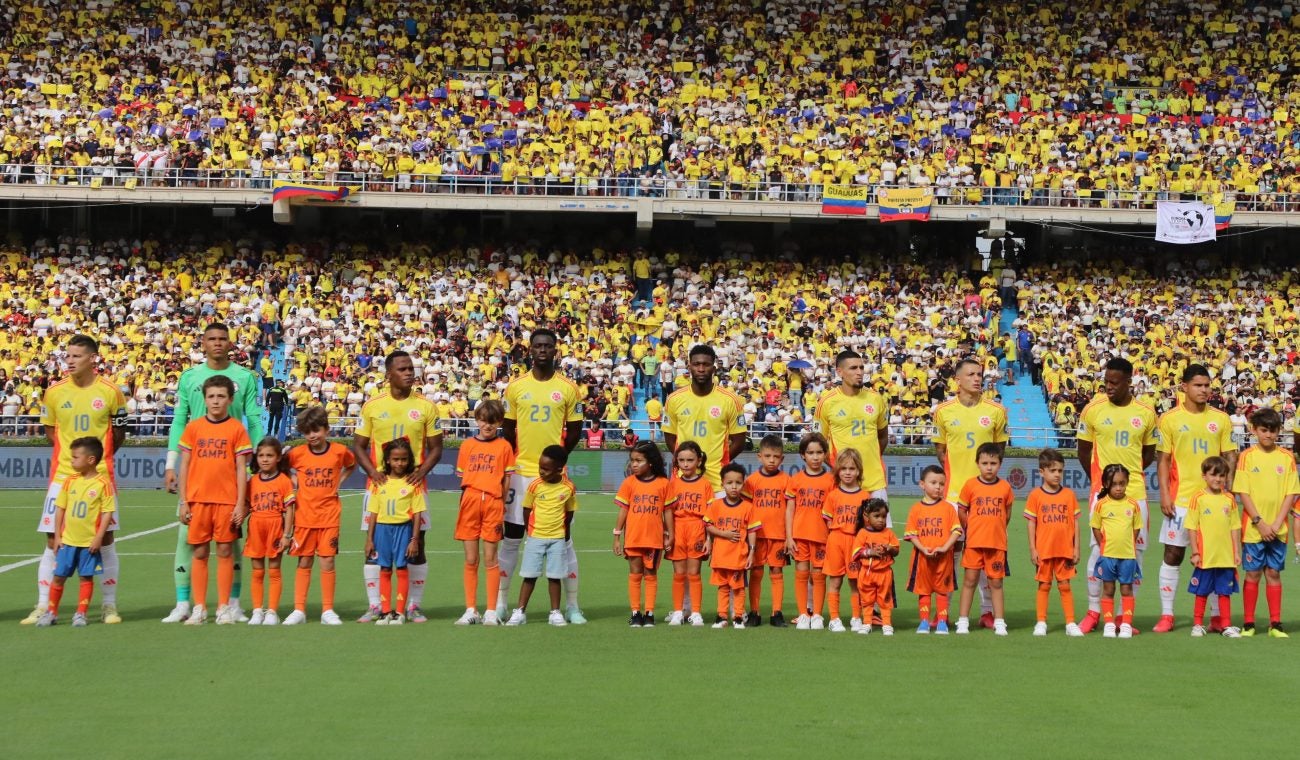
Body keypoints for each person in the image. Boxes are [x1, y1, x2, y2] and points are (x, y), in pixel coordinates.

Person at [163, 323, 264, 624]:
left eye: (223, 339)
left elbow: (255, 420)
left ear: (230, 344)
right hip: (198, 472)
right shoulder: (190, 377)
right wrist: (171, 464)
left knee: (231, 542)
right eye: (212, 339)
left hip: (232, 469)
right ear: (203, 343)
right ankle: (185, 603)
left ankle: (231, 603)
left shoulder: (245, 377)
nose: (217, 343)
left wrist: (259, 460)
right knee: (188, 539)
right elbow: (179, 421)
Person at [24, 334, 127, 626]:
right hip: (62, 477)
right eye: (67, 356)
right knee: (52, 539)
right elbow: (50, 433)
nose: (70, 361)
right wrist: (73, 463)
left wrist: (98, 461)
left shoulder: (111, 392)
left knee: (105, 539)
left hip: (101, 479)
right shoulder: (54, 392)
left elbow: (119, 433)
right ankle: (44, 605)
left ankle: (109, 605)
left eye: (76, 356)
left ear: (93, 358)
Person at [500, 329, 585, 624]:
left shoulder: (569, 388)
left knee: (565, 540)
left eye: (548, 346)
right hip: (522, 473)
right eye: (538, 346)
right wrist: (516, 457)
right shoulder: (515, 387)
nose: (543, 350)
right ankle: (501, 603)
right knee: (511, 539)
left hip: (556, 477)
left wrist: (558, 459)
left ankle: (572, 606)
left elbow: (575, 429)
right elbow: (507, 428)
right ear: (530, 351)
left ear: (555, 351)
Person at [353, 350, 442, 623]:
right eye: (402, 369)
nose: (408, 373)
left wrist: (421, 472)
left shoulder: (427, 406)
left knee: (418, 542)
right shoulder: (372, 406)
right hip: (378, 485)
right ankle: (375, 606)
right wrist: (373, 472)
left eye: (410, 369)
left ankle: (413, 605)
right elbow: (357, 446)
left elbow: (436, 448)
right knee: (374, 543)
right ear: (388, 374)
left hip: (413, 486)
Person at [1075, 357, 1157, 634]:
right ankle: (1094, 611)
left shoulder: (1146, 412)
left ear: (1128, 382)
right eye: (1106, 381)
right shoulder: (1092, 410)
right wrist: (1102, 484)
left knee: (1135, 555)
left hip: (1136, 496)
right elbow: (1083, 451)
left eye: (1114, 382)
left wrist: (1126, 478)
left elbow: (1148, 453)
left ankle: (1123, 617)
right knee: (1099, 551)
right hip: (1102, 498)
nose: (1108, 386)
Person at [1154, 364, 1237, 633]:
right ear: (1185, 387)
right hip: (1181, 500)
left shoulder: (1221, 418)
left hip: (1215, 501)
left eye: (1207, 385)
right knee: (1173, 553)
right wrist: (1165, 494)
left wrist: (1230, 489)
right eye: (1198, 385)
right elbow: (1163, 459)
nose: (1204, 390)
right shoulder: (1169, 419)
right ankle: (1167, 614)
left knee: (1215, 557)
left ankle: (1215, 617)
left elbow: (1230, 455)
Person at [932, 357, 1008, 629]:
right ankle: (945, 611)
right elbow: (941, 451)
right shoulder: (943, 411)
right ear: (958, 379)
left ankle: (988, 611)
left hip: (985, 496)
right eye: (971, 374)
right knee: (951, 554)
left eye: (980, 374)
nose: (978, 378)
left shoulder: (997, 411)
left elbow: (999, 451)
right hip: (953, 497)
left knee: (988, 553)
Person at [177, 375, 252, 625]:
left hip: (227, 501)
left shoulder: (237, 429)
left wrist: (240, 503)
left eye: (221, 396)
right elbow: (185, 464)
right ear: (204, 399)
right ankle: (199, 608)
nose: (216, 401)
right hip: (198, 500)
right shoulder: (194, 428)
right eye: (211, 396)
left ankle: (223, 607)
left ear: (230, 400)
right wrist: (183, 500)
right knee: (199, 552)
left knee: (224, 550)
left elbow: (241, 468)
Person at [285, 405, 356, 625]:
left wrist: (339, 482)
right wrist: (295, 481)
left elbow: (351, 465)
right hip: (304, 517)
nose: (312, 435)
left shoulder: (339, 451)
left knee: (327, 562)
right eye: (307, 432)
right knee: (304, 561)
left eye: (316, 430)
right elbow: (283, 468)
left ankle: (327, 610)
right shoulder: (297, 454)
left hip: (329, 516)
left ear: (326, 429)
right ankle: (299, 610)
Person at [36, 437, 116, 628]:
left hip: (88, 543)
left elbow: (107, 513)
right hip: (67, 541)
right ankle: (51, 612)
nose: (71, 461)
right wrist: (57, 536)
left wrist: (98, 538)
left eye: (75, 457)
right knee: (58, 576)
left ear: (90, 460)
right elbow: (60, 509)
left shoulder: (102, 483)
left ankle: (81, 614)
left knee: (85, 577)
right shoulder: (69, 481)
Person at [1233, 408, 1298, 637]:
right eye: (1264, 430)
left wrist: (1277, 522)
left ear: (1279, 431)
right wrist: (1260, 522)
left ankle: (1275, 624)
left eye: (1273, 431)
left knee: (1273, 573)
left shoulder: (1287, 457)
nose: (1268, 435)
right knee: (1253, 574)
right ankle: (1249, 623)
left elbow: (1292, 493)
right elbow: (1243, 492)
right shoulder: (1246, 457)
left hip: (1278, 529)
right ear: (1253, 430)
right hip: (1254, 528)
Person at [453, 400, 516, 626]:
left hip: (492, 502)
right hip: (470, 500)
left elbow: (507, 478)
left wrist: (501, 500)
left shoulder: (504, 447)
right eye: (483, 420)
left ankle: (491, 610)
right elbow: (462, 478)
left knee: (491, 558)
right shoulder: (467, 445)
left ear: (499, 422)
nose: (487, 425)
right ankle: (471, 609)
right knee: (471, 558)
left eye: (492, 422)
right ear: (477, 420)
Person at [505, 445, 577, 627]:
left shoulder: (568, 488)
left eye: (545, 469)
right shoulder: (535, 485)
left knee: (555, 576)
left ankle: (555, 612)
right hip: (536, 537)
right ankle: (520, 611)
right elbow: (526, 509)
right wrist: (530, 531)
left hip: (557, 539)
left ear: (559, 469)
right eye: (540, 467)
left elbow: (569, 513)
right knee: (529, 576)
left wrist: (563, 532)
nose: (541, 472)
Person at [663, 344, 747, 491]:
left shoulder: (730, 400)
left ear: (714, 369)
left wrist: (719, 462)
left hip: (718, 483)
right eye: (696, 364)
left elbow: (739, 441)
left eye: (706, 365)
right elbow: (670, 438)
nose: (701, 369)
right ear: (689, 368)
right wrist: (686, 462)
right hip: (682, 479)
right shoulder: (673, 399)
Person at [813, 349, 890, 505]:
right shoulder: (826, 402)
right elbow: (818, 444)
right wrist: (840, 467)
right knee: (844, 528)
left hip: (875, 482)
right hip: (843, 484)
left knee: (878, 528)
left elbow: (883, 436)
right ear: (840, 372)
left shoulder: (876, 399)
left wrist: (871, 459)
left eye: (861, 367)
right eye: (853, 368)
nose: (860, 372)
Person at [613, 440, 675, 627]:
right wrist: (617, 536)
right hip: (633, 538)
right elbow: (623, 510)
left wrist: (670, 533)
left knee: (650, 573)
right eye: (632, 460)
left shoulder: (663, 483)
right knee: (635, 573)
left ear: (651, 462)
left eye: (638, 460)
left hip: (654, 539)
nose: (634, 464)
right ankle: (635, 613)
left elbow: (667, 511)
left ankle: (649, 613)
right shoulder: (629, 483)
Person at [365, 439, 427, 625]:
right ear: (388, 460)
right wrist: (369, 539)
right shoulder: (379, 482)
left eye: (404, 459)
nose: (400, 463)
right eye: (396, 459)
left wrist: (414, 539)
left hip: (403, 529)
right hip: (382, 531)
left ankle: (400, 612)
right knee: (384, 569)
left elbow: (417, 514)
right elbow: (373, 513)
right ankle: (385, 612)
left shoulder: (412, 483)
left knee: (401, 568)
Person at [955, 443, 1014, 635]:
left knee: (996, 583)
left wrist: (996, 529)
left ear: (1000, 464)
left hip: (997, 544)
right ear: (978, 464)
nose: (989, 467)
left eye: (993, 463)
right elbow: (962, 510)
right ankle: (963, 621)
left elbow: (1007, 514)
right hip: (974, 542)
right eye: (985, 463)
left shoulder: (1005, 487)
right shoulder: (970, 485)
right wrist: (971, 528)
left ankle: (999, 621)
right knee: (970, 580)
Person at [1024, 449, 1083, 637]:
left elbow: (1075, 523)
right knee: (1044, 585)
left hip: (1065, 549)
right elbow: (1031, 523)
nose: (1057, 474)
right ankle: (1041, 622)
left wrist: (1076, 548)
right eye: (1052, 470)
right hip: (1044, 549)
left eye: (1060, 470)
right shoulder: (1035, 495)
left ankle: (1070, 623)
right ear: (1041, 472)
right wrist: (1033, 548)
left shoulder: (1069, 495)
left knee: (1065, 585)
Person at [1185, 456, 1243, 638]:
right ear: (1204, 476)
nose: (1218, 479)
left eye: (1222, 476)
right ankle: (1197, 624)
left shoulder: (1229, 499)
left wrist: (1236, 552)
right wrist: (1195, 552)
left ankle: (1226, 625)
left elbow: (1234, 527)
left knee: (1224, 592)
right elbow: (1192, 527)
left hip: (1225, 556)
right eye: (1213, 475)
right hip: (1205, 556)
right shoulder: (1198, 498)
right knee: (1201, 592)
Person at [904, 465, 962, 635]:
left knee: (942, 590)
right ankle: (924, 622)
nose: (938, 487)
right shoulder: (916, 508)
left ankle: (942, 622)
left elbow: (956, 531)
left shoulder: (948, 508)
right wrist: (923, 548)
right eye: (933, 482)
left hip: (944, 558)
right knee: (924, 590)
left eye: (942, 483)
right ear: (922, 484)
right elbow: (911, 534)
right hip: (922, 558)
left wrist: (945, 547)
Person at [785, 432, 834, 630]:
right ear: (803, 455)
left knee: (819, 575)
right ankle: (803, 614)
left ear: (825, 454)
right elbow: (790, 509)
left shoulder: (831, 480)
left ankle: (818, 615)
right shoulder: (795, 480)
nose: (815, 457)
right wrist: (789, 537)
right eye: (811, 453)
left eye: (819, 452)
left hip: (822, 536)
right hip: (799, 535)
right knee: (801, 574)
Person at [244, 437, 295, 626]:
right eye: (261, 455)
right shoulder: (252, 482)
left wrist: (287, 535)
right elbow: (247, 505)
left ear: (278, 458)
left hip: (275, 527)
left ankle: (272, 611)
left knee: (274, 570)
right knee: (257, 571)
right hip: (256, 527)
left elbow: (290, 509)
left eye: (269, 456)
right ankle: (257, 610)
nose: (265, 459)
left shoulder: (284, 481)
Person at [743, 434, 792, 627]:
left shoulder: (787, 480)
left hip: (778, 535)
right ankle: (754, 612)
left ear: (782, 458)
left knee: (776, 572)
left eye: (776, 456)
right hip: (757, 536)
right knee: (755, 572)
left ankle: (776, 613)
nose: (772, 460)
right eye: (768, 456)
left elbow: (790, 510)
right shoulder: (752, 481)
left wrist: (789, 536)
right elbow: (745, 510)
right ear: (759, 456)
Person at [1090, 465, 1143, 639]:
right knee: (1108, 589)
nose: (1119, 488)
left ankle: (1126, 624)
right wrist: (1103, 544)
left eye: (1122, 483)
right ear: (1106, 484)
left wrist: (1128, 544)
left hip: (1128, 557)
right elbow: (1096, 527)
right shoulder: (1101, 505)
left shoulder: (1133, 505)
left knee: (1127, 589)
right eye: (1114, 484)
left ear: (1127, 483)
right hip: (1108, 556)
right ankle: (1109, 625)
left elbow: (1136, 529)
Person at [703, 463, 758, 628]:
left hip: (738, 557)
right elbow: (708, 525)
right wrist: (723, 534)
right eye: (729, 483)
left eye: (738, 483)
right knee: (723, 587)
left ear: (743, 483)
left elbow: (752, 531)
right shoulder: (716, 505)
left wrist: (751, 552)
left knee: (739, 588)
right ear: (722, 484)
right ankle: (721, 617)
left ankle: (738, 617)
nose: (734, 487)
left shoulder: (748, 507)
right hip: (720, 556)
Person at [666, 441, 712, 626]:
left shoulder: (705, 485)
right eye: (682, 460)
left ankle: (696, 612)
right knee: (679, 574)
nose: (686, 464)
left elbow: (710, 515)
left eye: (690, 460)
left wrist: (709, 538)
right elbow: (667, 512)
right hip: (678, 527)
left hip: (697, 528)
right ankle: (678, 611)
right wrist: (667, 534)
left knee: (694, 573)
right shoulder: (673, 484)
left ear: (698, 461)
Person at [820, 448, 866, 633]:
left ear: (858, 471)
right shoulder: (833, 495)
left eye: (852, 469)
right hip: (836, 540)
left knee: (856, 582)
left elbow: (866, 524)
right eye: (844, 468)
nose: (848, 472)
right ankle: (834, 618)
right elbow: (828, 519)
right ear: (838, 470)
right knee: (835, 581)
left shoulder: (865, 497)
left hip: (856, 543)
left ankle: (856, 617)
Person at [851, 498, 899, 636]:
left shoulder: (888, 533)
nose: (881, 520)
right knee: (867, 599)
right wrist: (869, 552)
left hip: (884, 573)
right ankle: (867, 623)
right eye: (876, 516)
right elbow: (855, 553)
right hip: (867, 573)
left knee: (885, 599)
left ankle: (887, 624)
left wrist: (890, 549)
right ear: (866, 516)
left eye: (884, 517)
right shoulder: (862, 533)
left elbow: (896, 550)